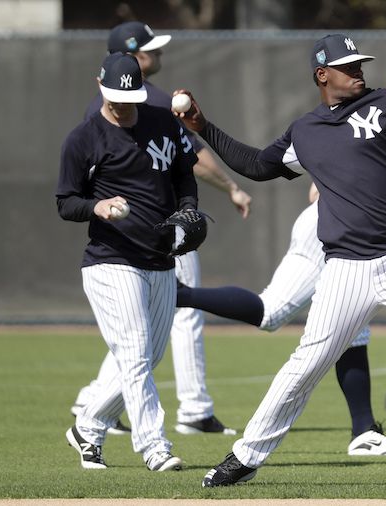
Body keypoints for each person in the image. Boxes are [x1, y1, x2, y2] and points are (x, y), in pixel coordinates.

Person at [176, 34, 386, 492]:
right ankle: (245, 456)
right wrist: (204, 127)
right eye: (348, 65)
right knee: (308, 363)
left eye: (360, 62)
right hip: (346, 267)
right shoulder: (305, 132)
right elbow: (258, 165)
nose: (358, 69)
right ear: (322, 75)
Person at [173, 59, 386, 456]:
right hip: (338, 233)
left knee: (347, 328)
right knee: (280, 315)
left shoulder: (367, 123)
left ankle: (363, 431)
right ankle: (177, 294)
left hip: (341, 228)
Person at [71, 21, 252, 436]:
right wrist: (232, 188)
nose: (160, 54)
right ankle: (190, 408)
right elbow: (195, 158)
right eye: (150, 49)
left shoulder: (104, 105)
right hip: (155, 230)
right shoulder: (150, 101)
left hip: (128, 232)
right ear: (132, 57)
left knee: (136, 332)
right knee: (171, 318)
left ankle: (96, 402)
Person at [58, 53, 200, 471]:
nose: (123, 105)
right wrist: (97, 207)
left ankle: (88, 423)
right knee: (136, 352)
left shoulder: (162, 121)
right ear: (99, 86)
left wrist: (187, 212)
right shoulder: (83, 139)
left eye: (130, 96)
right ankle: (154, 445)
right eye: (116, 96)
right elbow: (66, 203)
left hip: (159, 258)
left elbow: (184, 175)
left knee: (148, 358)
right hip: (110, 260)